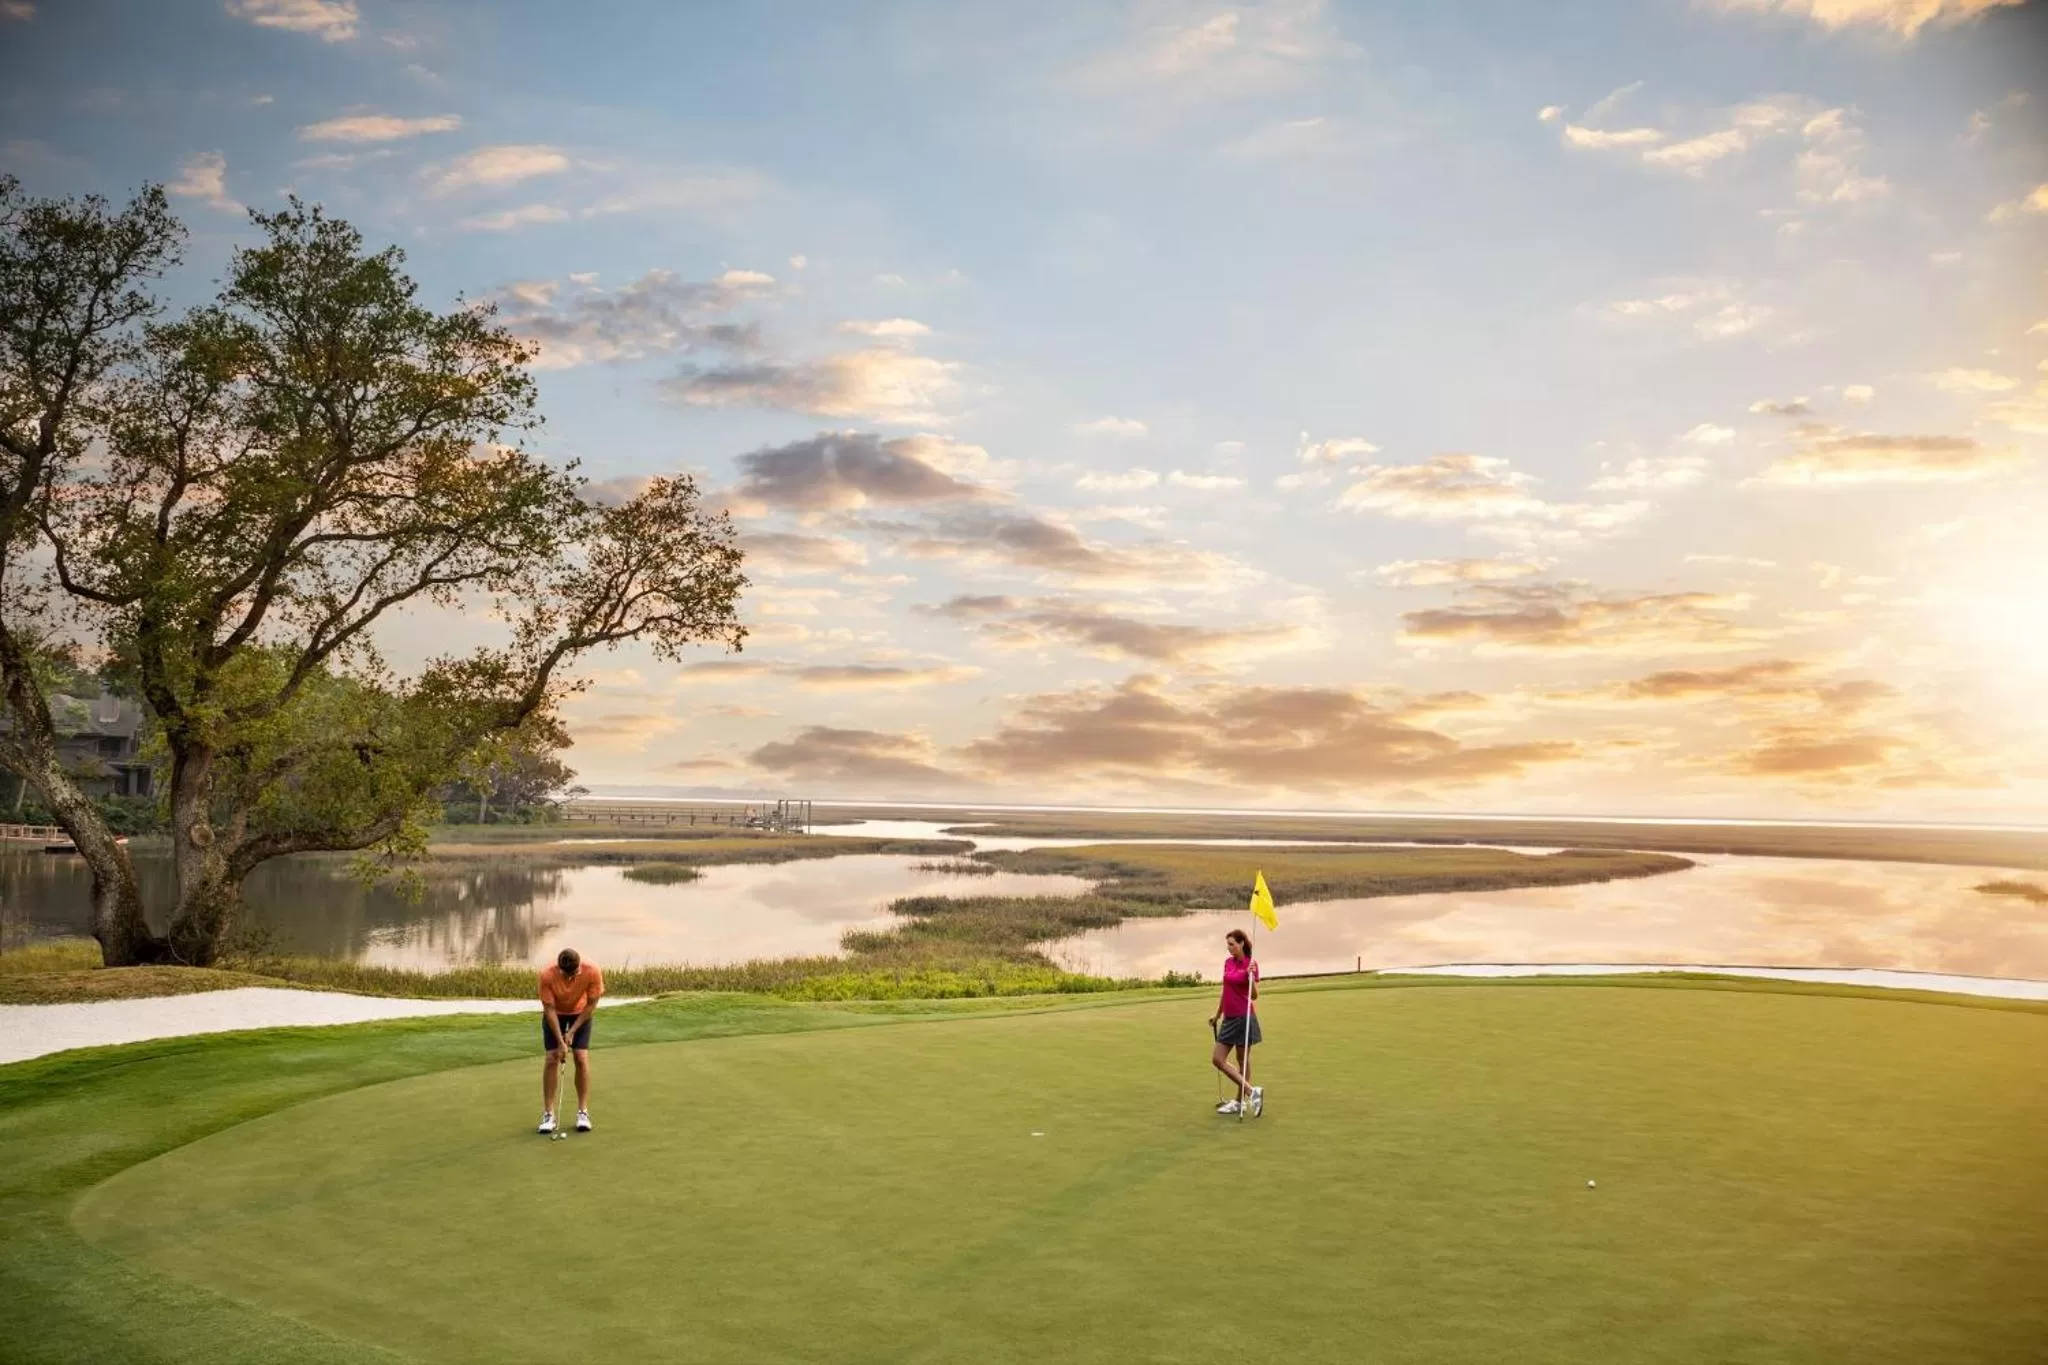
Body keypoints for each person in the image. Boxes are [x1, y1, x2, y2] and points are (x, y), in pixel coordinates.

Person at [537, 947, 604, 1134]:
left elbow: (591, 1004)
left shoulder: (592, 970)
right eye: (566, 975)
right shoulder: (547, 975)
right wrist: (561, 1041)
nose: (569, 979)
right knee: (552, 1058)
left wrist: (572, 1031)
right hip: (555, 1014)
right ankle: (548, 1114)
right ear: (559, 969)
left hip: (581, 1013)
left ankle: (583, 1112)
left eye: (574, 974)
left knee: (581, 1057)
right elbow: (549, 1009)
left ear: (579, 967)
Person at [1208, 928, 1264, 1116]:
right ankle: (1251, 1091)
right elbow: (1226, 991)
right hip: (1229, 1018)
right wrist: (1218, 1015)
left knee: (1242, 1060)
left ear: (1241, 943)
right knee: (1218, 1059)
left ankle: (1240, 1101)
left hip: (1243, 1017)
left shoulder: (1251, 964)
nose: (1229, 948)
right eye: (1228, 944)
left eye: (1232, 944)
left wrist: (1250, 977)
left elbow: (1254, 996)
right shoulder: (1228, 963)